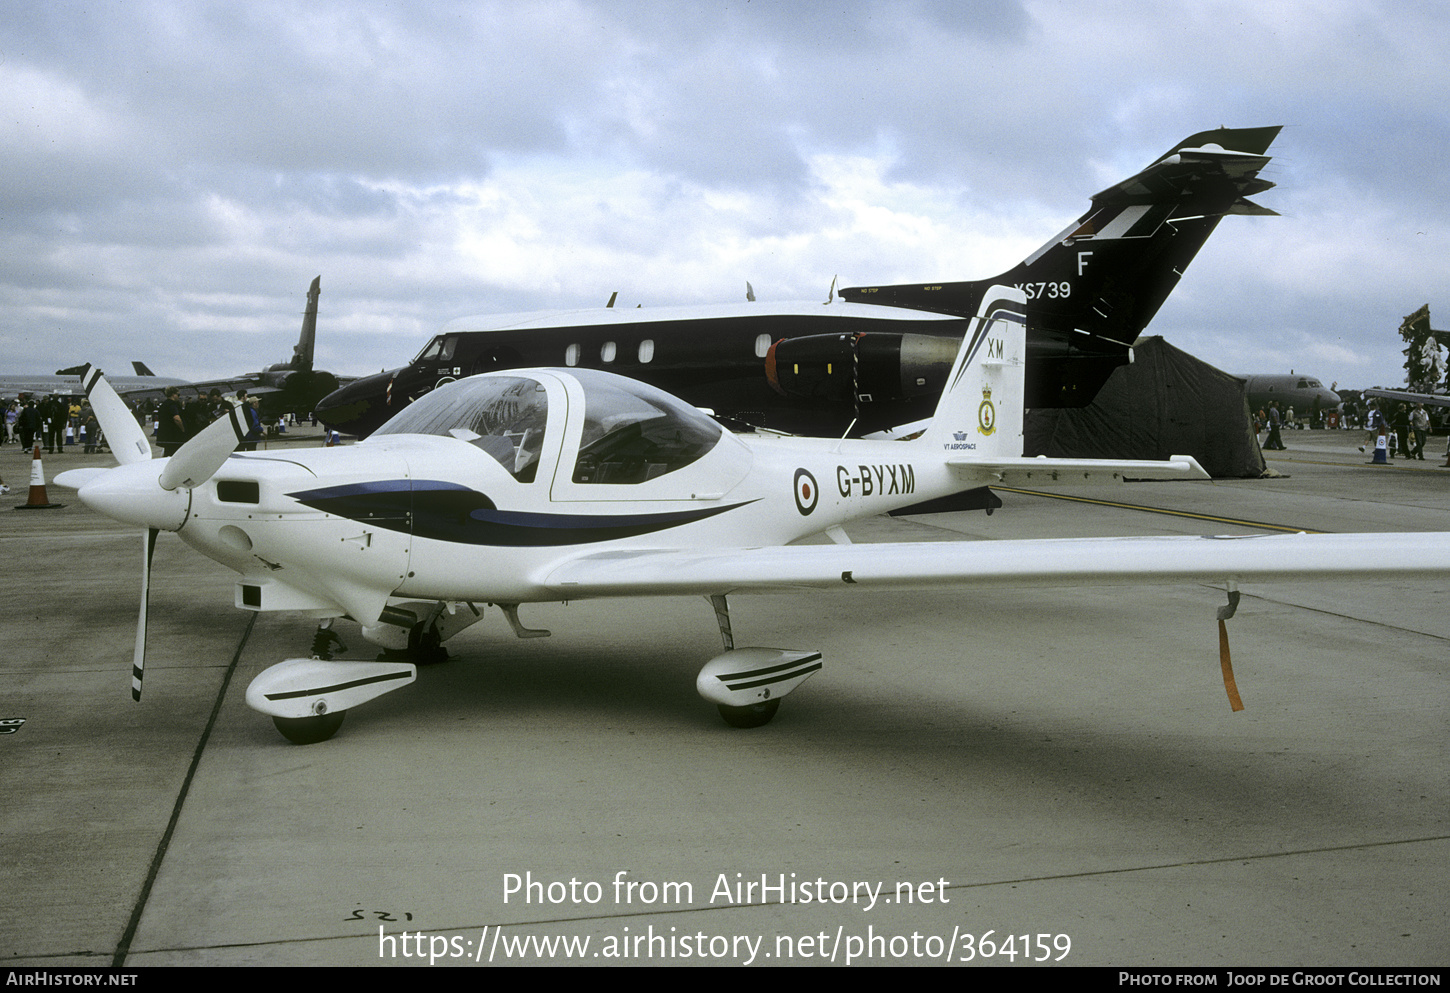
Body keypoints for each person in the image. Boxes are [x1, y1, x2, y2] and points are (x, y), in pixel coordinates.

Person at [157, 386, 186, 456]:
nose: (179, 397)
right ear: (173, 395)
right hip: (174, 436)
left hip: (165, 436)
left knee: (167, 453)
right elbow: (177, 419)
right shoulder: (172, 405)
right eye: (178, 395)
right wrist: (183, 429)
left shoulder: (163, 405)